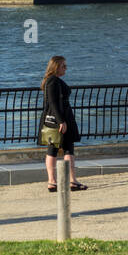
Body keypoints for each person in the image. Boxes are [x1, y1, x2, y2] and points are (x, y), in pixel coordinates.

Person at [39, 55, 85, 192]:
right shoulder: (53, 81)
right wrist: (61, 121)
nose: (66, 68)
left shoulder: (53, 80)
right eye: (63, 66)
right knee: (59, 148)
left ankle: (64, 181)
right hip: (59, 119)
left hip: (59, 118)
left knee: (61, 148)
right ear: (56, 67)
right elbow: (52, 103)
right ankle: (57, 181)